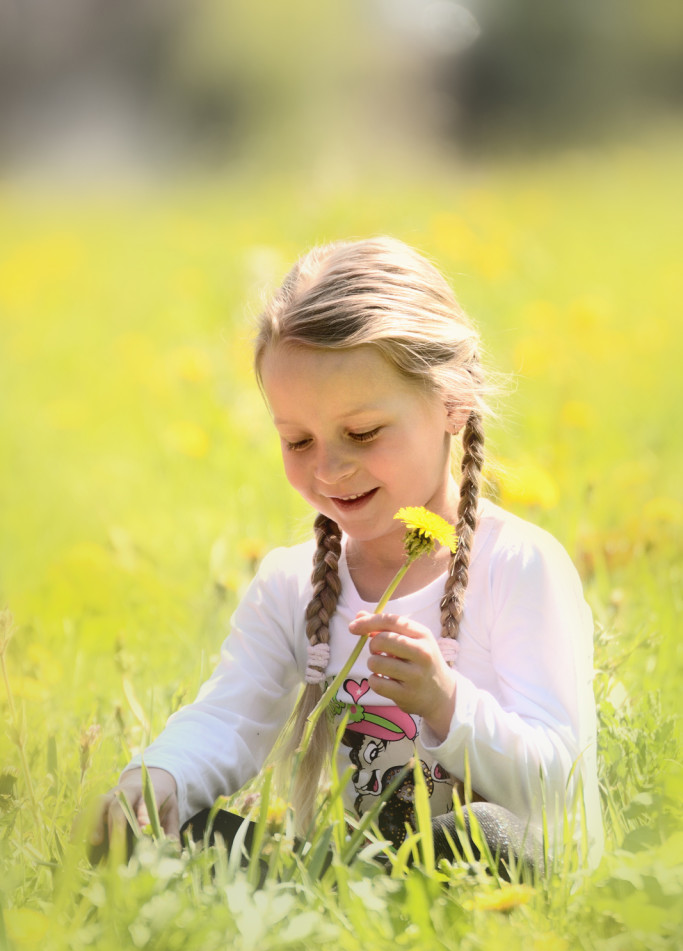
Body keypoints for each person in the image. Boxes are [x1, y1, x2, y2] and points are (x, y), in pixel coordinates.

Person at [91, 237, 603, 874]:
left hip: (501, 875)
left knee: (483, 833)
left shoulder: (521, 567)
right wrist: (161, 776)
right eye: (298, 440)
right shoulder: (292, 585)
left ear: (453, 402)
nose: (329, 469)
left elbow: (561, 784)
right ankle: (325, 894)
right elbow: (229, 719)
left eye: (362, 433)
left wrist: (448, 703)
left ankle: (334, 892)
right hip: (359, 875)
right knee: (170, 832)